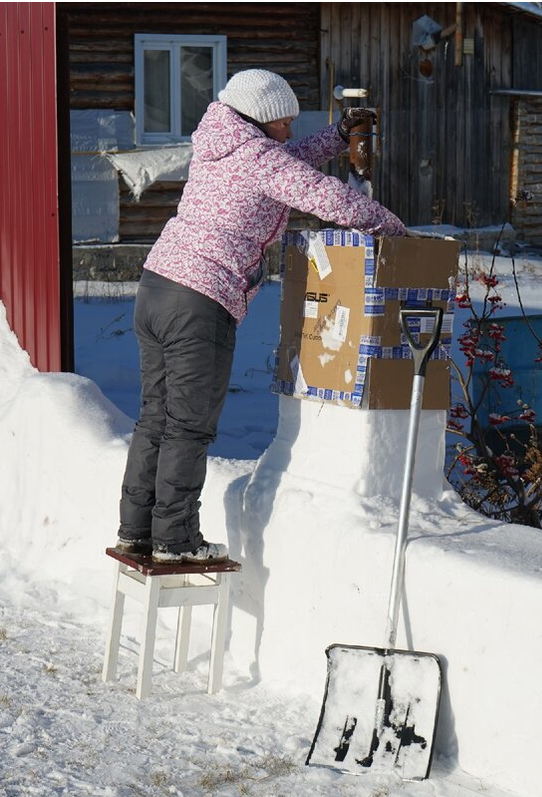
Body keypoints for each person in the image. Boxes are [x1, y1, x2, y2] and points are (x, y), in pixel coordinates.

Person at [116, 68, 408, 564]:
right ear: (259, 119)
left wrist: (335, 138)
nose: (289, 132)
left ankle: (136, 530)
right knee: (188, 426)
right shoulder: (255, 156)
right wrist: (393, 229)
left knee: (156, 419)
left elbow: (285, 161)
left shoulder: (223, 144)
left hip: (157, 288)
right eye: (283, 123)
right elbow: (325, 195)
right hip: (198, 300)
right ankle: (175, 541)